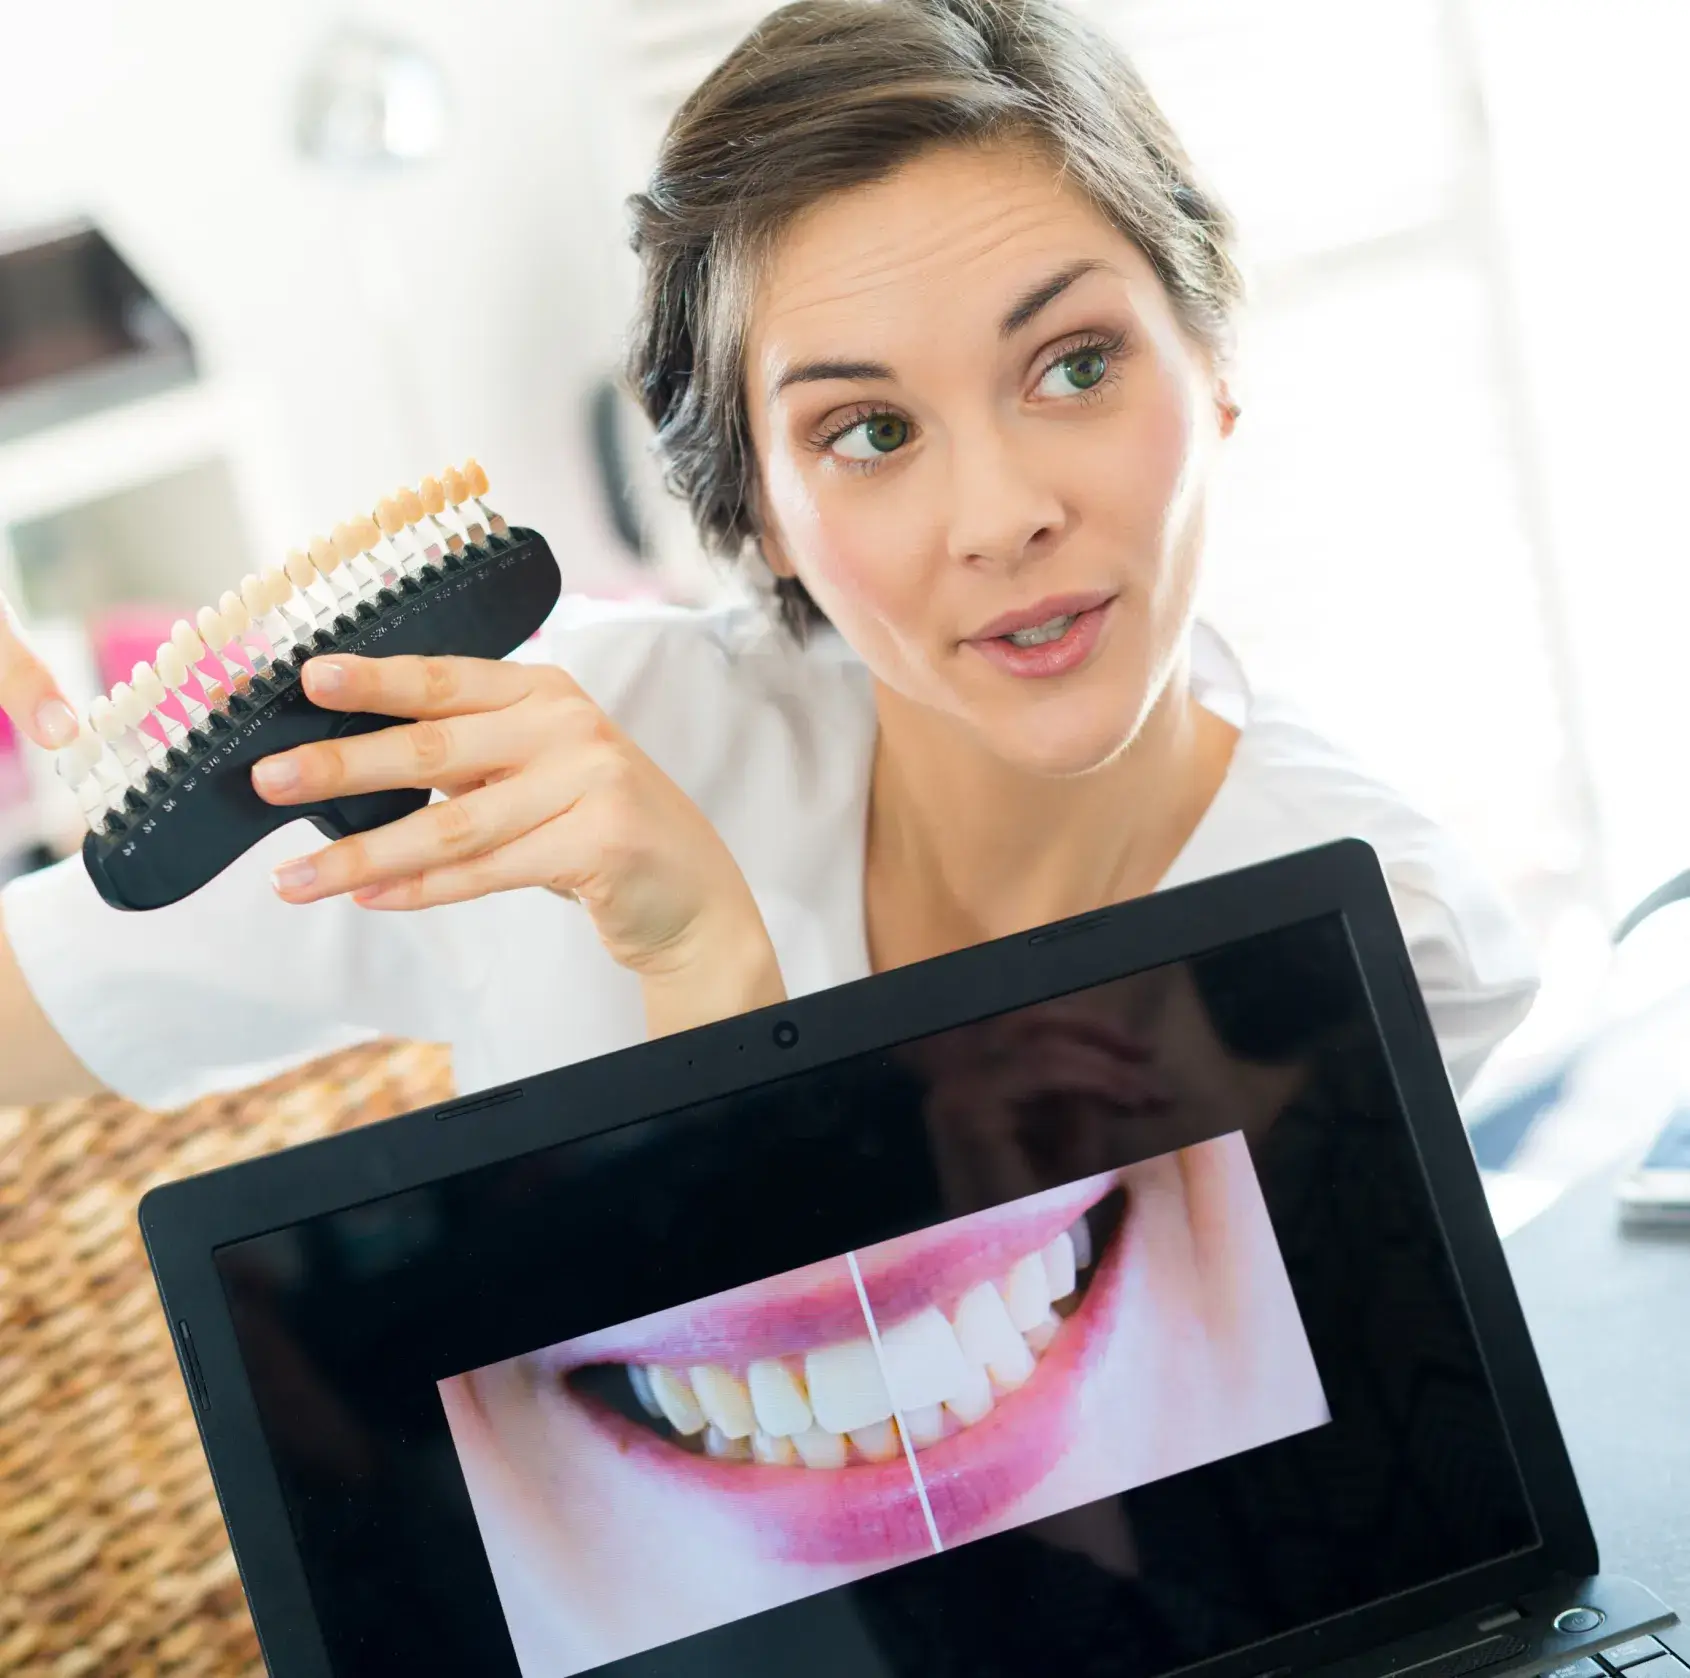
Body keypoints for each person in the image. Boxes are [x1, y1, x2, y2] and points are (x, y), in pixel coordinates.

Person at [0, 0, 1536, 1119]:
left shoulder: (1368, 923)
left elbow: (1081, 1525)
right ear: (750, 515)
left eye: (1073, 366)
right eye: (866, 432)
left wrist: (711, 983)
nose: (997, 517)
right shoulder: (529, 754)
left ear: (1211, 362)